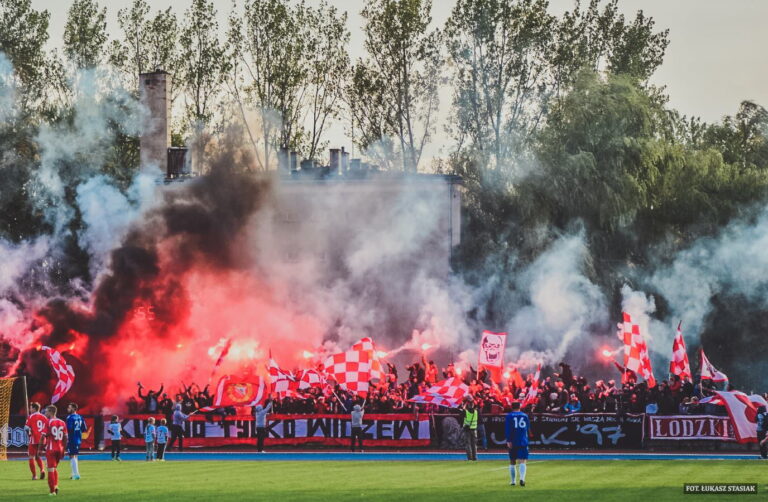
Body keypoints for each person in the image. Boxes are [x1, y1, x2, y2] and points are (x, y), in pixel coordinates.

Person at [42, 405, 67, 496]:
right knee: (54, 468)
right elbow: (65, 437)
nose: (45, 413)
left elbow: (43, 436)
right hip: (60, 449)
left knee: (50, 469)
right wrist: (64, 448)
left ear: (51, 412)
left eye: (46, 411)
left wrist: (40, 448)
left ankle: (52, 491)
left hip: (51, 449)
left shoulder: (48, 422)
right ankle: (56, 486)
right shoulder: (62, 422)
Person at [505, 401, 531, 487]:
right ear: (520, 406)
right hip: (522, 440)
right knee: (522, 460)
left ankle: (513, 481)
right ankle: (522, 479)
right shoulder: (525, 415)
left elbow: (508, 429)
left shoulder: (509, 416)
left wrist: (508, 440)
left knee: (512, 461)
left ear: (512, 407)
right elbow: (527, 428)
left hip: (513, 440)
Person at [24, 402, 47, 480]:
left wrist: (29, 435)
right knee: (38, 456)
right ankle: (42, 470)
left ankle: (34, 475)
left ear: (34, 408)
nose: (30, 409)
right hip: (42, 440)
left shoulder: (30, 417)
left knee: (31, 457)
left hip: (34, 439)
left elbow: (26, 428)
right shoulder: (44, 417)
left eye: (30, 408)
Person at [65, 402, 87, 481]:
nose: (68, 409)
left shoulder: (70, 417)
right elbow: (84, 429)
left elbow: (69, 428)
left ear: (74, 409)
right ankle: (73, 473)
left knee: (71, 456)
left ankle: (76, 474)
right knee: (75, 455)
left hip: (72, 438)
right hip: (78, 438)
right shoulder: (80, 417)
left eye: (69, 407)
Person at [460, 397, 478, 461]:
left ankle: (470, 458)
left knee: (468, 444)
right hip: (474, 429)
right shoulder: (476, 412)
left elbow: (461, 414)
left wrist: (464, 405)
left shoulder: (466, 412)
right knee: (474, 444)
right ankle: (475, 457)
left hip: (467, 430)